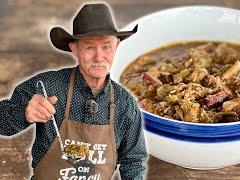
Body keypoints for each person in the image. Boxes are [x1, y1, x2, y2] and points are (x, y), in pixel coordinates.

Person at [0, 3, 147, 180]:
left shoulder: (126, 104)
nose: (99, 57)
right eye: (90, 47)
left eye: (106, 46)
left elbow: (134, 162)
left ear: (116, 45)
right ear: (74, 48)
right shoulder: (47, 86)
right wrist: (24, 113)